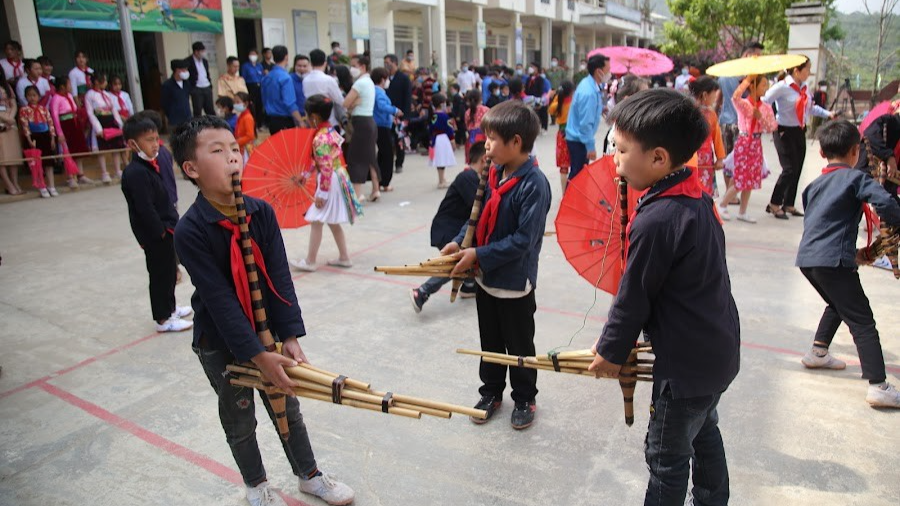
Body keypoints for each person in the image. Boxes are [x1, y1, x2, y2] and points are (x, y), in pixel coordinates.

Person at [171, 116, 356, 506]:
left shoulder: (261, 213)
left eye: (234, 149)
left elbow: (279, 279)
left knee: (288, 404)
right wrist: (255, 355)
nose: (231, 158)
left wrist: (287, 336)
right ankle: (256, 485)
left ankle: (309, 475)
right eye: (217, 151)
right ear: (191, 169)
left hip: (269, 330)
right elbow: (219, 300)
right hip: (220, 341)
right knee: (239, 419)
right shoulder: (191, 230)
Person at [589, 89, 739, 506]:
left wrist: (610, 350)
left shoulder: (657, 219)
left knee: (667, 456)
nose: (614, 158)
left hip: (685, 367)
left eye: (620, 149)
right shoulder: (697, 198)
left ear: (658, 158)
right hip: (716, 352)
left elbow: (634, 296)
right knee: (704, 431)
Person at [441, 101, 551, 430]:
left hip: (514, 282)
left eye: (491, 139)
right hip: (486, 277)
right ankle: (491, 392)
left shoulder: (534, 184)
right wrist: (461, 243)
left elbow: (523, 241)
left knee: (518, 346)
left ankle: (525, 397)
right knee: (490, 341)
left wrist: (478, 254)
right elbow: (475, 221)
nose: (485, 145)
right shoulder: (494, 174)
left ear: (516, 142)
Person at [796, 119, 900, 408]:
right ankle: (879, 385)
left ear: (822, 153)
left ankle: (818, 352)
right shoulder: (857, 178)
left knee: (839, 303)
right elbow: (887, 204)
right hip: (833, 260)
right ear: (856, 151)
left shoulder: (813, 186)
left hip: (808, 259)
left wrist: (853, 252)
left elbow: (822, 223)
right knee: (863, 321)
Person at [120, 115, 193, 332]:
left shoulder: (152, 165)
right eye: (149, 140)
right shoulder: (135, 173)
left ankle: (170, 307)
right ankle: (163, 318)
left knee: (170, 270)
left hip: (167, 228)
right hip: (156, 234)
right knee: (160, 273)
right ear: (133, 144)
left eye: (155, 139)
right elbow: (144, 209)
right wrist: (160, 232)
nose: (155, 145)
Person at [409, 141, 487, 312]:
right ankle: (421, 292)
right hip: (446, 231)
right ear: (484, 159)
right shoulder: (468, 178)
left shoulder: (472, 178)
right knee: (457, 264)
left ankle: (468, 286)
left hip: (452, 228)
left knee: (471, 257)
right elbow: (480, 211)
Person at [289, 95, 362, 273]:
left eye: (307, 115)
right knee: (330, 221)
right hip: (338, 177)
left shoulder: (319, 138)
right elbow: (324, 161)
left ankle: (310, 261)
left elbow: (326, 166)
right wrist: (305, 175)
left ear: (314, 116)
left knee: (316, 219)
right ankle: (344, 257)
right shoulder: (331, 131)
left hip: (329, 181)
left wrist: (322, 194)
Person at [763, 56, 836, 219]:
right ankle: (774, 204)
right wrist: (769, 119)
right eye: (807, 69)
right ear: (796, 70)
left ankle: (788, 204)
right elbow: (764, 100)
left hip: (799, 130)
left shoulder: (803, 88)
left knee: (797, 169)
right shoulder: (782, 87)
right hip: (783, 130)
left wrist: (827, 114)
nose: (809, 72)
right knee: (788, 169)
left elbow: (810, 107)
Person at [717, 75, 776, 223]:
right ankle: (723, 204)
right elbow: (735, 96)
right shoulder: (743, 103)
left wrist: (760, 117)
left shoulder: (766, 107)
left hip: (756, 144)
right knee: (741, 178)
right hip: (744, 142)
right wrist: (748, 80)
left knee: (749, 180)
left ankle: (742, 211)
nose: (766, 88)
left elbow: (771, 127)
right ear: (753, 87)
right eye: (763, 85)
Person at [717, 42, 764, 199]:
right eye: (757, 56)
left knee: (728, 159)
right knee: (737, 161)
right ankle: (732, 195)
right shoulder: (748, 80)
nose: (759, 59)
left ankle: (729, 194)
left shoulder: (724, 75)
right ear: (747, 55)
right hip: (740, 126)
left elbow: (719, 98)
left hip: (724, 122)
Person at [565, 53, 610, 182]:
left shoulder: (590, 85)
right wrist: (590, 147)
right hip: (579, 140)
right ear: (599, 71)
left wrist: (601, 109)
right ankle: (571, 200)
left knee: (579, 174)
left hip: (578, 138)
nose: (609, 73)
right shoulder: (589, 92)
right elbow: (585, 123)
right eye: (608, 70)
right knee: (578, 176)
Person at [342, 55, 380, 201]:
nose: (352, 69)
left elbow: (345, 103)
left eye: (354, 65)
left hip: (361, 122)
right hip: (369, 122)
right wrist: (354, 103)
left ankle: (358, 194)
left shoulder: (360, 83)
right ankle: (375, 189)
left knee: (356, 157)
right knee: (370, 157)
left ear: (362, 66)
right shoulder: (369, 82)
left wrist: (352, 104)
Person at [49, 76, 93, 189]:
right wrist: (59, 133)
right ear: (63, 86)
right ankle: (70, 177)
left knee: (78, 149)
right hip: (65, 125)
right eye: (69, 84)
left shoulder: (69, 96)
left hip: (74, 124)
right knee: (67, 151)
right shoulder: (56, 98)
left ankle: (80, 174)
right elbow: (55, 117)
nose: (70, 87)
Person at [688, 76, 726, 196]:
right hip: (689, 158)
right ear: (705, 95)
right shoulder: (688, 112)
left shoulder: (711, 114)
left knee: (704, 191)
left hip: (706, 161)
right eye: (714, 94)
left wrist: (720, 158)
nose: (715, 98)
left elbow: (717, 138)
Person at [85, 73, 125, 183]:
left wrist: (119, 123)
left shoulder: (107, 94)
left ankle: (118, 170)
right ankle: (104, 172)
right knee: (101, 148)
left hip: (110, 120)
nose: (106, 83)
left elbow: (113, 109)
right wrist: (98, 128)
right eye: (104, 80)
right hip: (100, 121)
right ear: (97, 82)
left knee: (115, 147)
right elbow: (90, 113)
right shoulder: (90, 94)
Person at [19, 86, 57, 198]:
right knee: (37, 163)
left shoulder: (44, 109)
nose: (32, 97)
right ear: (26, 97)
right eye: (29, 95)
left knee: (48, 162)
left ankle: (51, 185)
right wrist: (29, 139)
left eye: (34, 95)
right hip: (34, 136)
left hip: (45, 136)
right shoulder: (24, 110)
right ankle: (42, 186)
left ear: (39, 96)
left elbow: (50, 123)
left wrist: (52, 138)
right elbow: (25, 125)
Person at [261, 45, 304, 135]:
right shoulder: (285, 77)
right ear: (286, 57)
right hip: (284, 119)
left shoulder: (267, 77)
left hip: (271, 119)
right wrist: (300, 121)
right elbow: (290, 103)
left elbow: (264, 98)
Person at [602, 74, 649, 156]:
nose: (648, 99)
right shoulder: (623, 132)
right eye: (644, 95)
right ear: (628, 99)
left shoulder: (636, 126)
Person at [372, 67, 402, 192]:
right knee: (388, 154)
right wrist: (395, 111)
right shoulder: (379, 92)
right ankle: (384, 181)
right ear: (382, 79)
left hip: (381, 124)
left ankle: (379, 180)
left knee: (382, 154)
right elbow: (382, 106)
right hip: (382, 126)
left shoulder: (375, 91)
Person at [384, 54, 412, 174]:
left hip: (400, 114)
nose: (386, 65)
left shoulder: (404, 78)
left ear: (395, 63)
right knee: (387, 140)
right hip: (387, 114)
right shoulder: (385, 78)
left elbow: (408, 97)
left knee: (399, 140)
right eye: (385, 63)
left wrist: (405, 115)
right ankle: (387, 163)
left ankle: (399, 163)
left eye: (388, 62)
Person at [303, 50, 345, 127]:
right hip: (328, 121)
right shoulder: (328, 80)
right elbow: (339, 100)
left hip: (312, 121)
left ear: (311, 63)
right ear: (325, 63)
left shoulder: (305, 80)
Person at [548, 80, 574, 192]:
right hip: (573, 135)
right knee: (575, 164)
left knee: (564, 167)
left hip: (561, 135)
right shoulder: (574, 102)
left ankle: (564, 193)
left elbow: (551, 111)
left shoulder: (558, 101)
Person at [0, 82, 23, 195]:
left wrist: (10, 117)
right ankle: (8, 185)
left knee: (13, 155)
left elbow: (13, 104)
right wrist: (4, 118)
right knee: (2, 158)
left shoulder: (7, 86)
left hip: (11, 122)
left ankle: (15, 183)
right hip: (1, 123)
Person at [429, 93, 456, 189]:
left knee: (439, 159)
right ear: (442, 104)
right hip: (443, 139)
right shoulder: (444, 116)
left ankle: (442, 178)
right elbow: (449, 129)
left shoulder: (433, 116)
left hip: (435, 139)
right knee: (441, 161)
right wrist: (453, 141)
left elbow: (430, 129)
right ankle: (441, 181)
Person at [161, 59, 193, 132]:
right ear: (177, 70)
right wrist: (171, 114)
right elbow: (164, 103)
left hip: (187, 118)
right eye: (184, 70)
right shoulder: (167, 85)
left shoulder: (186, 83)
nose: (186, 72)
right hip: (174, 120)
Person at [186, 42, 214, 117]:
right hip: (196, 88)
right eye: (202, 51)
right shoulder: (188, 61)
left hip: (207, 86)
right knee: (197, 110)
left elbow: (207, 73)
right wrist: (191, 88)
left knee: (210, 109)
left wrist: (210, 85)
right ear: (196, 52)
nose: (203, 53)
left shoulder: (205, 61)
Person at [241, 49, 266, 127]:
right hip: (250, 86)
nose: (253, 56)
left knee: (260, 105)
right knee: (252, 106)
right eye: (251, 54)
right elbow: (243, 78)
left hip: (259, 86)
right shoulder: (245, 66)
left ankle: (260, 124)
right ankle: (253, 124)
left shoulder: (259, 66)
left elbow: (262, 76)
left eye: (254, 54)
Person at [463, 89, 489, 161]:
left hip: (472, 138)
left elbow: (467, 127)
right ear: (480, 98)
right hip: (484, 137)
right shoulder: (486, 110)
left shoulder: (467, 112)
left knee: (474, 160)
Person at [233, 91, 257, 158]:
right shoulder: (241, 116)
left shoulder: (247, 117)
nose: (235, 104)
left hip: (246, 148)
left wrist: (237, 142)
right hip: (241, 147)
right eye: (234, 102)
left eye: (237, 102)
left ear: (246, 103)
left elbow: (250, 136)